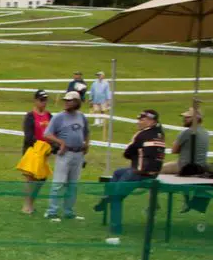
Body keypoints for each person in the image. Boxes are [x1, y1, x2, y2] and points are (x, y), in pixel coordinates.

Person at [93, 110, 165, 245]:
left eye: (142, 119)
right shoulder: (160, 134)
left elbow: (127, 153)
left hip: (138, 173)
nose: (139, 122)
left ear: (152, 121)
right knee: (118, 172)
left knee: (116, 196)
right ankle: (106, 196)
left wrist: (135, 156)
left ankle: (115, 225)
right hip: (154, 173)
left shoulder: (141, 135)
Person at [42, 91, 89, 221]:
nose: (66, 103)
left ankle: (69, 211)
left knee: (73, 184)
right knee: (58, 183)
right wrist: (61, 142)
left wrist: (86, 144)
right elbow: (47, 134)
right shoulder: (59, 117)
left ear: (77, 102)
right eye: (66, 100)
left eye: (70, 100)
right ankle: (52, 211)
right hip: (65, 154)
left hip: (78, 154)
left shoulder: (81, 116)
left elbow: (86, 132)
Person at [20, 90, 52, 214]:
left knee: (42, 179)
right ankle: (26, 205)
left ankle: (32, 203)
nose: (43, 103)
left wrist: (51, 147)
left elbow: (53, 132)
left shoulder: (49, 116)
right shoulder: (30, 116)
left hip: (44, 153)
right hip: (32, 151)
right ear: (35, 100)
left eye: (45, 100)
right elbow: (28, 136)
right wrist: (40, 145)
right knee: (31, 178)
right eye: (41, 100)